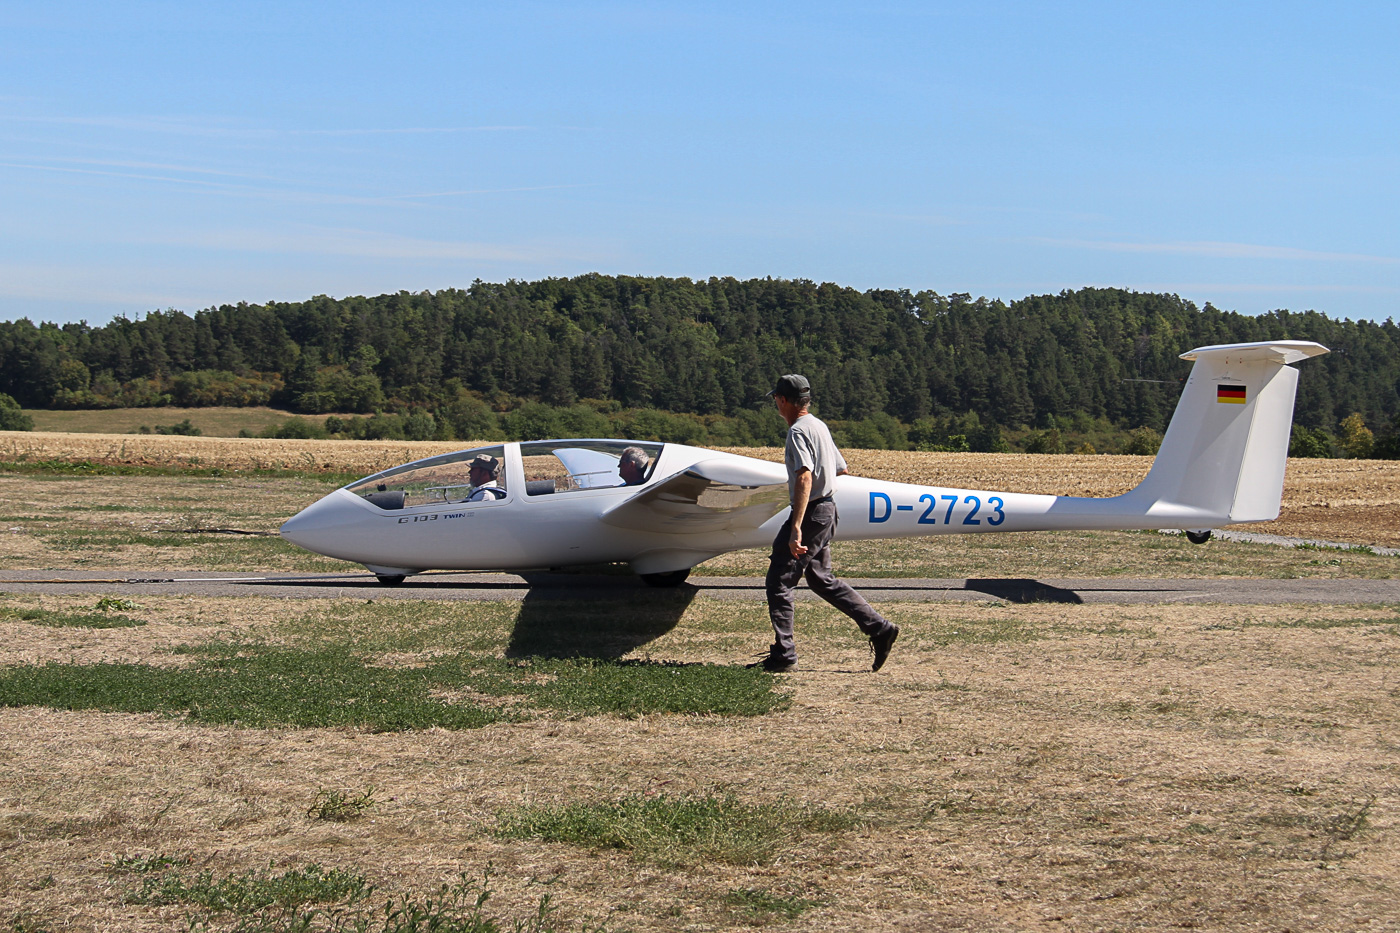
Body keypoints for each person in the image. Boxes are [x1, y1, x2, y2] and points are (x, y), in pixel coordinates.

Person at [757, 374, 899, 673]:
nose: (776, 404)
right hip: (827, 510)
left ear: (783, 400)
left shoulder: (798, 431)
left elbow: (804, 476)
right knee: (821, 579)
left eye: (776, 399)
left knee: (779, 580)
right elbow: (840, 468)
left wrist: (797, 526)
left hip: (812, 513)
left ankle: (784, 655)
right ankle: (879, 628)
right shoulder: (818, 425)